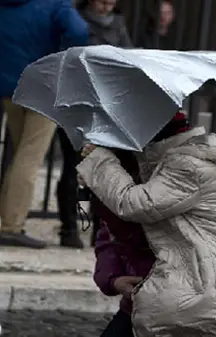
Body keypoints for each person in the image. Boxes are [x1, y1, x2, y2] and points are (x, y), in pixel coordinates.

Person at [77, 112, 216, 337]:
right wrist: (113, 278)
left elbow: (132, 205)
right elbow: (112, 231)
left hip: (206, 301)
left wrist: (99, 163)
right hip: (168, 296)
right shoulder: (145, 167)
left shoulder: (188, 166)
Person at [0, 0, 88, 249]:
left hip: (9, 86)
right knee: (29, 157)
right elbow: (78, 30)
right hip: (44, 86)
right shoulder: (54, 4)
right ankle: (11, 226)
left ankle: (8, 219)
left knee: (19, 155)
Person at [54, 0, 134, 249]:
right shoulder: (76, 22)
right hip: (76, 103)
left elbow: (128, 57)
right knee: (72, 165)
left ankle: (100, 229)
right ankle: (69, 229)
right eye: (102, 0)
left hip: (107, 105)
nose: (107, 5)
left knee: (103, 169)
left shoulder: (119, 25)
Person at [92, 149, 154, 337]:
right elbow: (110, 237)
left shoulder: (175, 176)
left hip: (184, 305)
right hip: (140, 303)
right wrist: (114, 279)